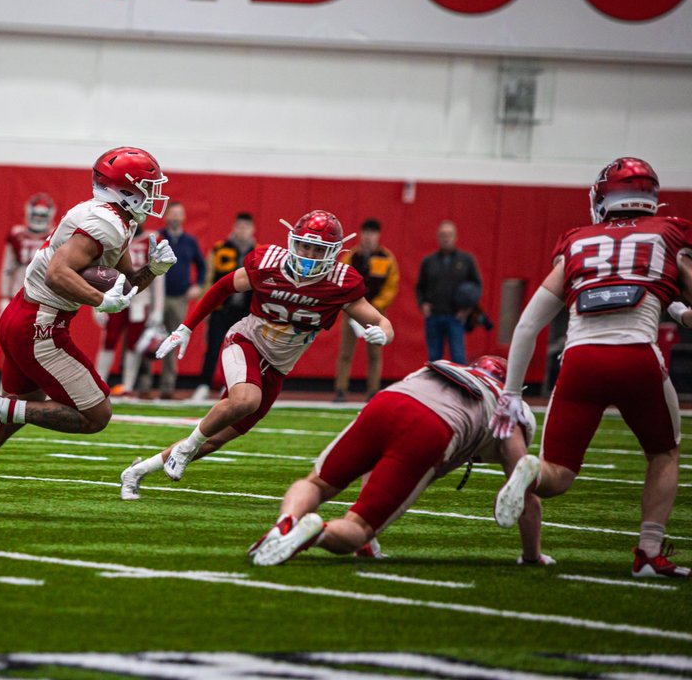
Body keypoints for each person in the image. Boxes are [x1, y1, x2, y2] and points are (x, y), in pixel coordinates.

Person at [0, 146, 175, 514]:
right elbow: (57, 272)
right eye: (146, 186)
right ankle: (1, 411)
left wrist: (151, 271)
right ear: (125, 189)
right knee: (97, 415)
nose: (153, 195)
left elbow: (122, 284)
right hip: (41, 325)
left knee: (16, 409)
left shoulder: (115, 219)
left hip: (23, 316)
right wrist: (98, 300)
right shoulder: (104, 222)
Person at [492, 157, 692, 580]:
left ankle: (530, 470)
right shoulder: (670, 232)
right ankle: (649, 554)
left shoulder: (579, 241)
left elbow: (528, 323)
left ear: (604, 198)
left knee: (557, 475)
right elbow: (668, 283)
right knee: (664, 451)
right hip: (637, 355)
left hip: (581, 361)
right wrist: (678, 308)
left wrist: (511, 393)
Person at [120, 211, 394, 499]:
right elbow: (224, 286)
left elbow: (382, 322)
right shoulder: (268, 264)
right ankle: (186, 448)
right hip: (246, 340)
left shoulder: (341, 283)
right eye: (305, 246)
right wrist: (187, 327)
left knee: (215, 439)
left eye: (318, 249)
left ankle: (137, 472)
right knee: (246, 399)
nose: (309, 255)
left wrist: (382, 334)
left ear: (334, 252)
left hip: (278, 367)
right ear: (293, 243)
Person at [247, 356, 550, 567]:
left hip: (388, 401)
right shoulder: (509, 404)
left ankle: (285, 523)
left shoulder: (447, 366)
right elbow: (524, 492)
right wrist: (532, 556)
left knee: (317, 483)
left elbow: (377, 463)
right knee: (359, 528)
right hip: (432, 427)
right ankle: (318, 533)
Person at [191, 212, 256, 401]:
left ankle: (230, 386)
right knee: (213, 347)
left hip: (245, 311)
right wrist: (205, 307)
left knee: (241, 351)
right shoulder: (220, 249)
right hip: (222, 308)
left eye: (246, 227)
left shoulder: (258, 252)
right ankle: (204, 384)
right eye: (240, 227)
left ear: (252, 230)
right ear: (234, 228)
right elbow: (210, 279)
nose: (242, 231)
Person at [94, 228, 165, 397]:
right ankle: (98, 383)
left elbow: (159, 274)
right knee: (109, 340)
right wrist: (97, 302)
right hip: (114, 295)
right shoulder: (116, 233)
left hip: (140, 299)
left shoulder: (151, 239)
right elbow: (100, 270)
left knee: (134, 344)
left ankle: (127, 385)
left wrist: (158, 309)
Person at [334, 218, 399, 402]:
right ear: (362, 234)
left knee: (375, 353)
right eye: (366, 233)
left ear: (378, 235)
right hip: (352, 311)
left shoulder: (387, 258)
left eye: (373, 233)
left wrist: (375, 307)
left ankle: (372, 391)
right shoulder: (352, 256)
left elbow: (391, 287)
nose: (369, 237)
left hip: (376, 312)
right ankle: (340, 390)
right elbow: (341, 280)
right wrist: (351, 306)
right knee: (345, 352)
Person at [157, 201, 205, 398]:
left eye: (179, 214)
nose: (175, 217)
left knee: (174, 339)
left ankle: (167, 387)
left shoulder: (190, 241)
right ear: (167, 216)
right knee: (148, 340)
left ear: (183, 218)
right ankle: (142, 385)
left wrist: (198, 285)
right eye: (172, 214)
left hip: (178, 298)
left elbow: (202, 266)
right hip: (157, 298)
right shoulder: (159, 237)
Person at [416, 220, 481, 363]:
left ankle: (459, 386)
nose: (446, 238)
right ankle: (434, 386)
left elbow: (476, 286)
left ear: (455, 237)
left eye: (449, 235)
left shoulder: (466, 260)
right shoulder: (429, 261)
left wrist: (467, 310)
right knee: (434, 359)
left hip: (455, 317)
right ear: (438, 237)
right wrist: (423, 305)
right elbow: (420, 287)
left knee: (458, 357)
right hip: (434, 316)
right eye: (443, 235)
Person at [0, 193, 55, 316]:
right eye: (36, 215)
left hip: (45, 295)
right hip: (18, 292)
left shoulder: (55, 236)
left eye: (42, 215)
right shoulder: (17, 235)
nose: (39, 219)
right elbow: (7, 269)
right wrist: (4, 296)